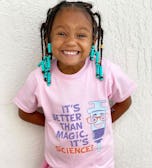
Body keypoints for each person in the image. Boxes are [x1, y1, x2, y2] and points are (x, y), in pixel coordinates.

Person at [13, 1, 136, 167]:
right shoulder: (39, 79)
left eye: (81, 35)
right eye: (62, 33)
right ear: (47, 37)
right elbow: (24, 112)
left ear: (94, 40)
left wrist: (105, 120)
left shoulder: (106, 72)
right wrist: (52, 123)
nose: (71, 42)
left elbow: (124, 101)